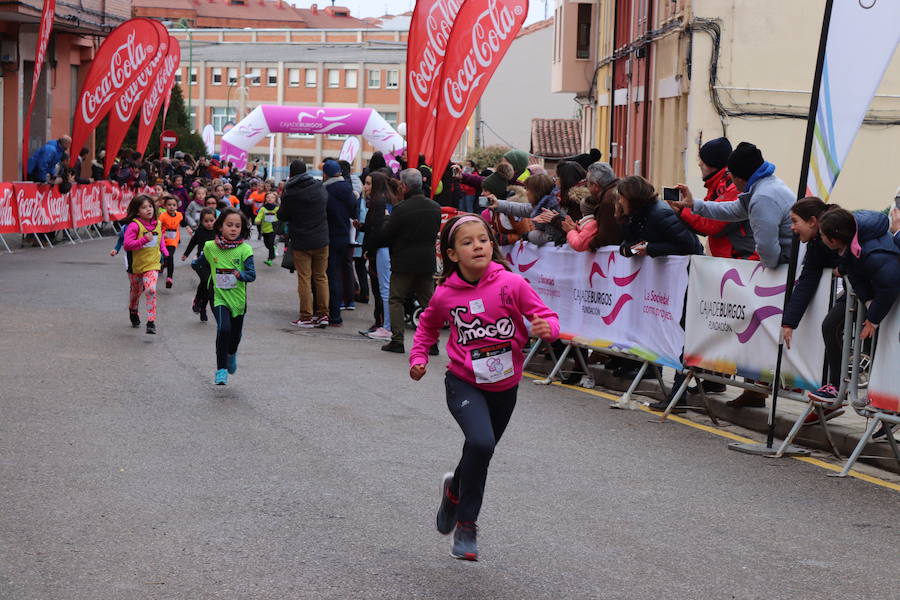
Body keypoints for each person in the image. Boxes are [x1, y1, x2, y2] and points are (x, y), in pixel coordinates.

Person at [408, 214, 560, 561]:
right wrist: (418, 357)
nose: (477, 246)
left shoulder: (512, 284)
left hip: (505, 387)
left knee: (480, 451)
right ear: (451, 254)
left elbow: (547, 315)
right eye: (467, 242)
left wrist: (546, 327)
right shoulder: (446, 294)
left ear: (492, 245)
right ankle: (466, 525)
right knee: (480, 442)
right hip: (463, 382)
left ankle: (453, 492)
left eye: (483, 240)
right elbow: (427, 327)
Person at [674, 141, 793, 269]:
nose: (730, 181)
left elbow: (767, 247)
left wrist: (767, 273)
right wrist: (693, 204)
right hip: (784, 265)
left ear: (740, 178)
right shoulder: (765, 186)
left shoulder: (762, 198)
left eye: (731, 176)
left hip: (783, 269)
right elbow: (730, 210)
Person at [818, 207, 900, 391]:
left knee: (885, 347)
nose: (820, 238)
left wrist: (873, 318)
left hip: (889, 295)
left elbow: (889, 284)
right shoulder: (852, 244)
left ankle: (885, 406)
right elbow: (855, 275)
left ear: (834, 240)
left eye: (822, 235)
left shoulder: (872, 254)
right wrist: (870, 303)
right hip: (880, 294)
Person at [779, 198, 842, 418]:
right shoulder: (815, 244)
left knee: (831, 326)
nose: (792, 228)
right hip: (855, 295)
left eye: (795, 221)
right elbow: (807, 282)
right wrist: (789, 322)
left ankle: (836, 392)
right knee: (829, 328)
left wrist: (843, 268)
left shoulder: (841, 230)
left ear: (813, 221)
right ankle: (830, 397)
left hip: (873, 292)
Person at [379, 168, 442, 353]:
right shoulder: (434, 207)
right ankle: (432, 343)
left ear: (404, 186)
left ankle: (397, 340)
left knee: (396, 299)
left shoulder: (400, 209)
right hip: (426, 262)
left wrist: (385, 221)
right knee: (428, 303)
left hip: (404, 262)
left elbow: (387, 235)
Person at [192, 209, 256, 385]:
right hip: (218, 297)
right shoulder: (210, 247)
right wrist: (198, 268)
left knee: (235, 335)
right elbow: (200, 263)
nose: (233, 229)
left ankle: (231, 353)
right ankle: (221, 370)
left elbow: (252, 275)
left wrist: (239, 275)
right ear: (220, 226)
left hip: (238, 299)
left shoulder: (245, 250)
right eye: (229, 225)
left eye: (237, 226)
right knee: (224, 329)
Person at [674, 137, 757, 260]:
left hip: (742, 261)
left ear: (713, 163)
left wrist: (683, 209)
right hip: (732, 261)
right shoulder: (717, 186)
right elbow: (705, 225)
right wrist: (681, 210)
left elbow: (712, 225)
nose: (699, 164)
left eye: (703, 160)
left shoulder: (732, 188)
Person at [278, 160, 330, 328]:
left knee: (305, 279)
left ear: (291, 174)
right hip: (322, 239)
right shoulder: (319, 187)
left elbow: (282, 215)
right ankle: (323, 315)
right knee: (321, 277)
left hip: (302, 241)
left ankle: (306, 316)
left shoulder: (290, 192)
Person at [357, 171, 396, 340]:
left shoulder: (379, 201)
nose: (365, 187)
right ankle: (383, 325)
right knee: (383, 289)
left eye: (368, 183)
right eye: (365, 183)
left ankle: (385, 326)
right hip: (380, 249)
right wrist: (362, 227)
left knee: (383, 289)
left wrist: (369, 250)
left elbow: (378, 230)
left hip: (381, 250)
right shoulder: (381, 200)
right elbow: (374, 226)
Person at [121, 194, 168, 334]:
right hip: (135, 266)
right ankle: (133, 309)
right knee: (136, 293)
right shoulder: (134, 225)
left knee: (151, 290)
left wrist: (165, 252)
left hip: (152, 264)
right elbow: (127, 245)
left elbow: (160, 239)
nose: (149, 209)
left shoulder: (158, 224)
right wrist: (143, 240)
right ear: (137, 211)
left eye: (150, 206)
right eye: (144, 207)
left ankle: (151, 322)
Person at [322, 160, 358, 327]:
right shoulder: (348, 189)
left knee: (331, 276)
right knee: (345, 270)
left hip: (330, 235)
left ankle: (334, 314)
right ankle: (347, 301)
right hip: (345, 235)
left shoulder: (326, 190)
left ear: (326, 174)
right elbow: (353, 209)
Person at [560, 162, 621, 251]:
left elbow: (606, 236)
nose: (586, 187)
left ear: (595, 186)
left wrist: (589, 245)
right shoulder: (615, 191)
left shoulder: (608, 200)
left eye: (587, 183)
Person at [182, 208, 218, 322]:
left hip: (214, 263)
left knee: (207, 285)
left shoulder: (219, 231)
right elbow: (193, 242)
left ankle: (201, 307)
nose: (209, 223)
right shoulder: (200, 231)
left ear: (216, 220)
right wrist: (186, 254)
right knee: (206, 282)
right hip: (200, 262)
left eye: (211, 220)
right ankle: (199, 302)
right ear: (201, 221)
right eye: (206, 221)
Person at [158, 195, 188, 289]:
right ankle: (163, 264)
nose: (171, 207)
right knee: (164, 256)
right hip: (162, 240)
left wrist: (188, 227)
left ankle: (169, 278)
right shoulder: (162, 216)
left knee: (170, 256)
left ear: (177, 206)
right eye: (169, 205)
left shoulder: (179, 215)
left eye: (173, 205)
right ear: (165, 206)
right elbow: (157, 226)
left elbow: (183, 222)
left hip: (173, 240)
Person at [254, 191, 280, 266]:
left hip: (274, 228)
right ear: (265, 199)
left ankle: (270, 259)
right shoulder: (263, 208)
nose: (270, 199)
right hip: (265, 229)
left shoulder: (277, 208)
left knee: (270, 242)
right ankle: (273, 249)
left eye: (272, 197)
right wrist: (257, 221)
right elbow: (259, 216)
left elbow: (281, 216)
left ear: (275, 199)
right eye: (268, 197)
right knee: (267, 244)